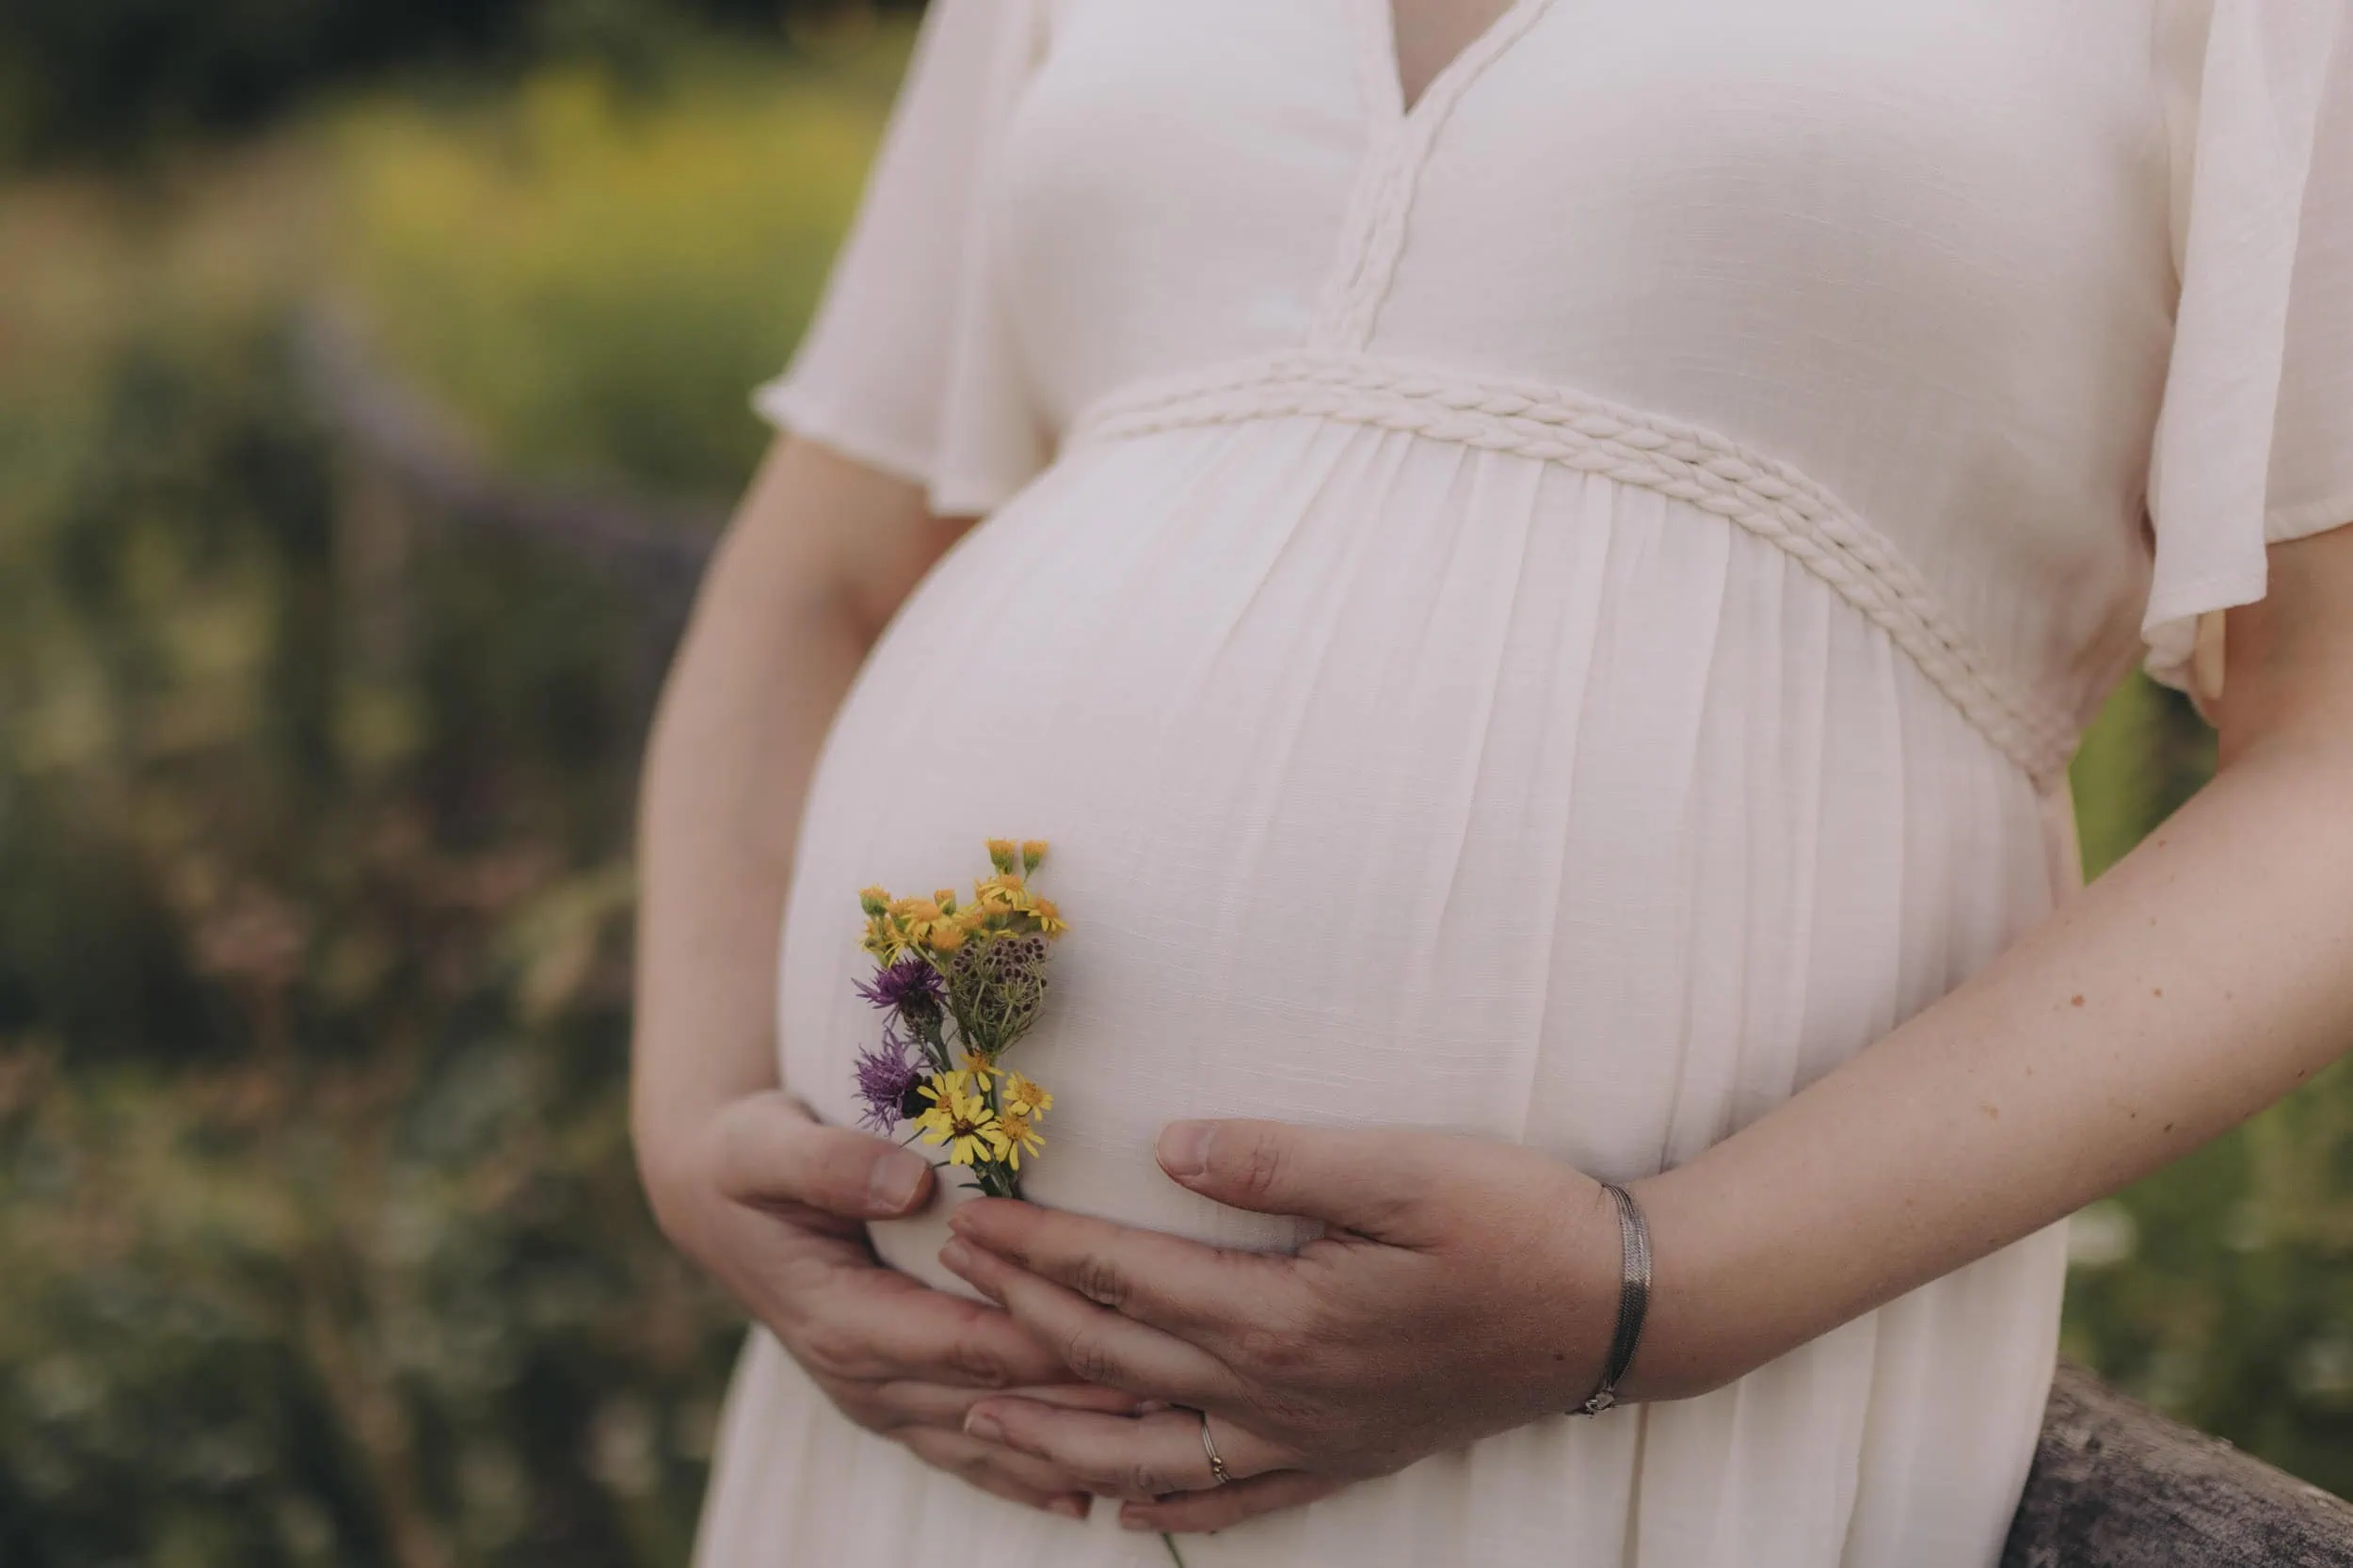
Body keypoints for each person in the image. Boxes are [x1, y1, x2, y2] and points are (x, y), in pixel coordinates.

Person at [630, 1, 2353, 1563]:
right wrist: (690, 1120)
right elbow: (823, 577)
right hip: (937, 1432)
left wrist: (1654, 1289)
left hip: (1639, 1431)